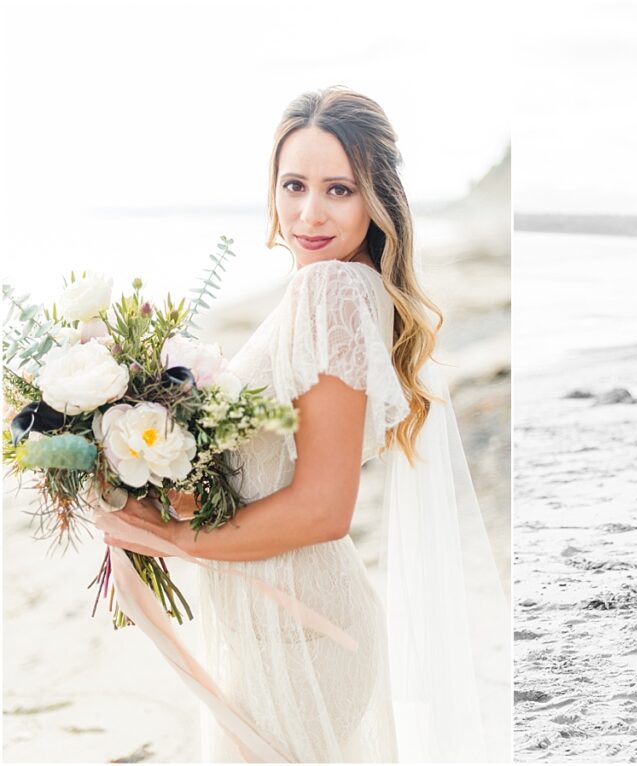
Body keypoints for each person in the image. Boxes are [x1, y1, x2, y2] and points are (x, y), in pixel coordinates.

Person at [97, 87, 508, 762]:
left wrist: (174, 538)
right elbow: (270, 472)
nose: (309, 213)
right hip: (287, 618)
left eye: (338, 190)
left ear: (376, 199)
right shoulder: (348, 284)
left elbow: (323, 507)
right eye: (294, 185)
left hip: (300, 627)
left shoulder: (332, 292)